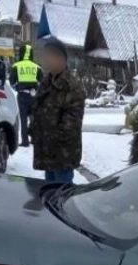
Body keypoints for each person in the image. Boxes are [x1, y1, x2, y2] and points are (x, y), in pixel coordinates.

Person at [30, 37, 85, 184]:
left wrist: (50, 141)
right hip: (47, 151)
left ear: (61, 58)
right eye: (45, 55)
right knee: (49, 190)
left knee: (62, 192)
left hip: (62, 153)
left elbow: (71, 124)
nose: (46, 59)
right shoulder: (46, 82)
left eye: (50, 55)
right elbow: (37, 109)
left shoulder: (71, 86)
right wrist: (34, 131)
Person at [9, 43, 40, 147]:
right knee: (34, 118)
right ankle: (35, 139)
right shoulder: (36, 67)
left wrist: (17, 88)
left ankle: (25, 141)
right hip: (34, 95)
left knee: (23, 119)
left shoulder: (17, 66)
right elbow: (42, 81)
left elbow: (12, 81)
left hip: (22, 95)